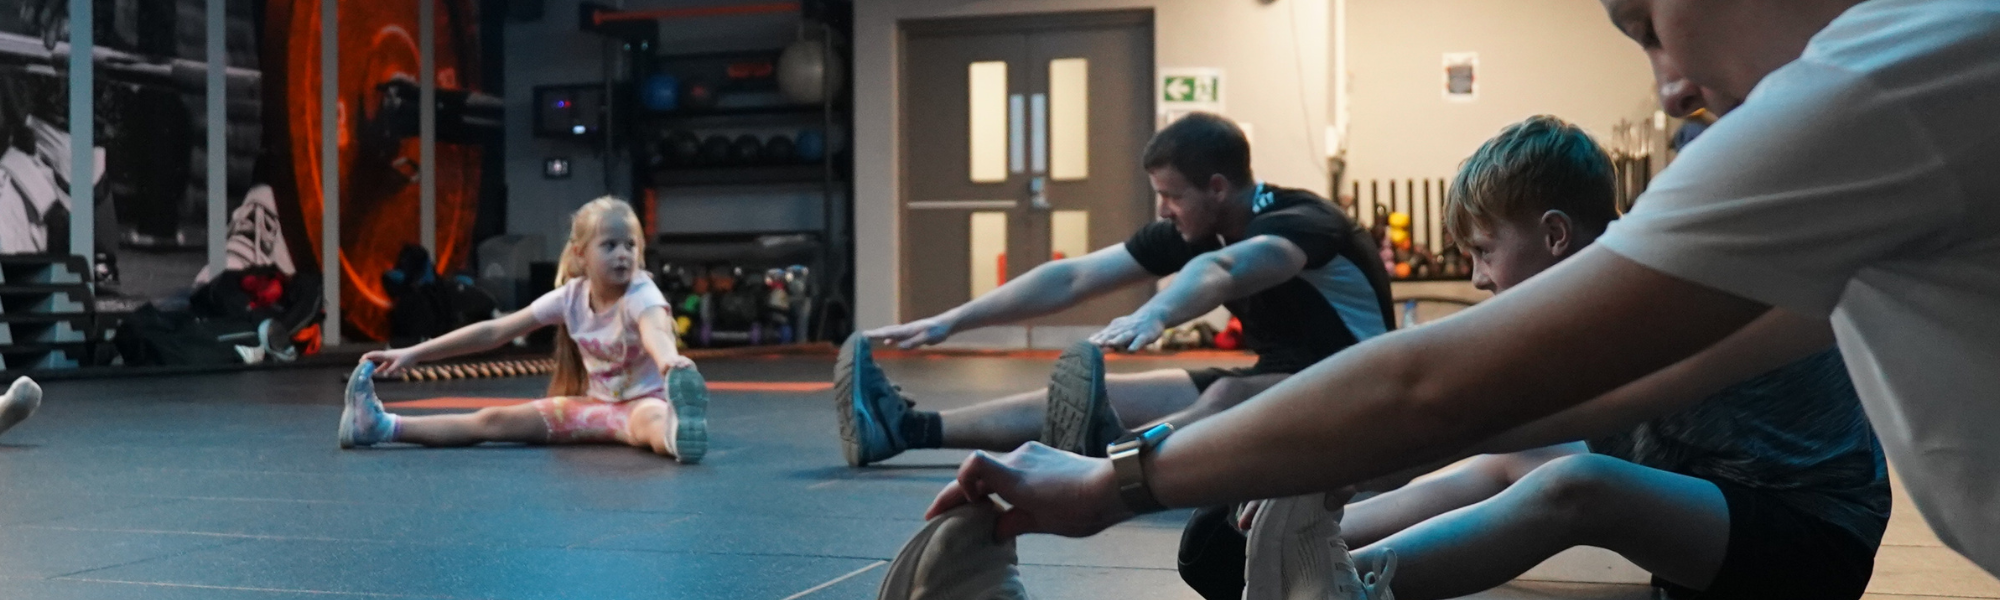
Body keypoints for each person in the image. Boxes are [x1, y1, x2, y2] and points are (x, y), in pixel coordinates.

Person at [929, 0, 2000, 581]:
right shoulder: (1909, 97)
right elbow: (1547, 402)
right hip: (1743, 513)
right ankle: (1325, 554)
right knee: (1516, 455)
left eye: (1646, 25)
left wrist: (1117, 483)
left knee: (1553, 478)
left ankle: (1350, 576)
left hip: (1796, 539)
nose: (1669, 88)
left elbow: (1436, 385)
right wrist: (1327, 470)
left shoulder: (1880, 78)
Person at [1188, 115, 1888, 600]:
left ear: (1554, 235)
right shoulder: (1607, 284)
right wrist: (1315, 488)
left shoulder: (1640, 295)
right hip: (1712, 510)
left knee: (1579, 487)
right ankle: (1307, 545)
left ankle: (1334, 583)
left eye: (1485, 251)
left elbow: (1457, 407)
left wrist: (1328, 463)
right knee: (1513, 463)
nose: (1478, 279)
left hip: (1810, 548)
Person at [841, 112, 1394, 468]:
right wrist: (951, 321)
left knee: (1223, 397)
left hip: (1367, 397)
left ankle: (1108, 468)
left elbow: (1224, 269)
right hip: (1287, 381)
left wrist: (1156, 315)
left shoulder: (1304, 221)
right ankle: (906, 429)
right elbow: (1074, 276)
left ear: (1217, 187)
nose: (1162, 210)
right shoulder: (1196, 225)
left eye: (1171, 195)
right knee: (1117, 393)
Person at [337, 197, 710, 463]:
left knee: (654, 422)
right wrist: (413, 353)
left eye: (630, 245)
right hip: (591, 407)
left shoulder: (641, 293)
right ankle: (381, 427)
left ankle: (679, 434)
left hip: (640, 404)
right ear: (581, 254)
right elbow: (494, 331)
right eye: (610, 245)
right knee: (491, 421)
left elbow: (656, 330)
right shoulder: (571, 297)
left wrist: (669, 362)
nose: (623, 255)